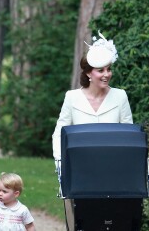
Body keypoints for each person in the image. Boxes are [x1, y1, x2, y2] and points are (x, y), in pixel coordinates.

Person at [52, 31, 133, 229]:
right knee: (84, 220)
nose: (106, 74)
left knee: (112, 221)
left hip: (113, 172)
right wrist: (60, 162)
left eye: (108, 69)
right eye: (100, 70)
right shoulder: (72, 98)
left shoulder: (120, 96)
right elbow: (59, 132)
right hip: (80, 172)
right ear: (88, 73)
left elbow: (129, 135)